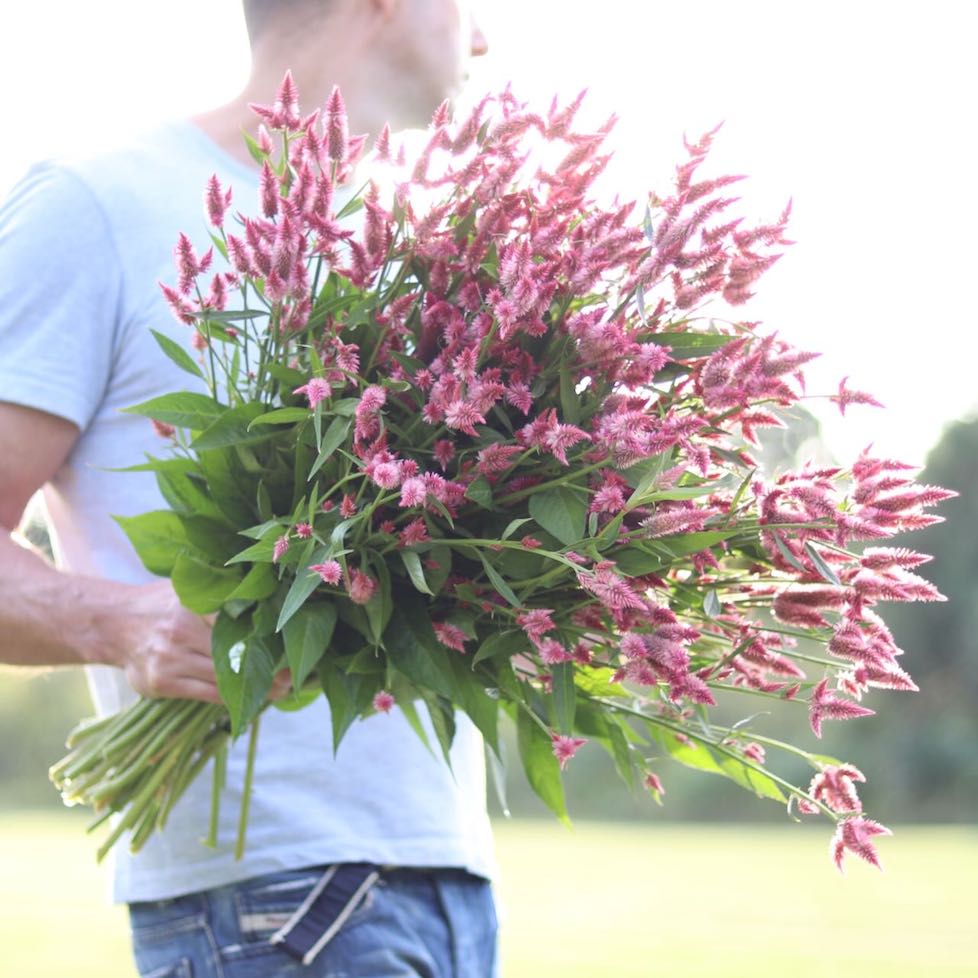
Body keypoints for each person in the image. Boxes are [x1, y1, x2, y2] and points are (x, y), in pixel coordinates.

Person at [0, 2, 497, 976]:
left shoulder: (434, 254)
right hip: (268, 902)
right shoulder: (102, 205)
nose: (485, 36)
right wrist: (117, 622)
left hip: (445, 879)